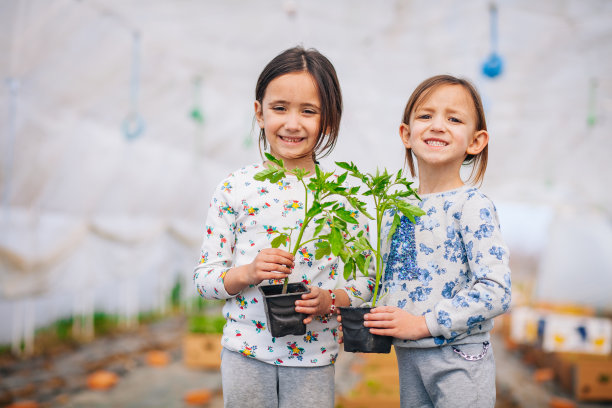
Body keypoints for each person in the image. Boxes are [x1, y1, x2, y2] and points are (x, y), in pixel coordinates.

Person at [193, 46, 373, 408]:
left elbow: (367, 281)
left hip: (313, 358)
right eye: (279, 108)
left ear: (329, 120)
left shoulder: (342, 196)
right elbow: (205, 280)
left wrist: (330, 300)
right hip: (244, 352)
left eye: (308, 111)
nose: (292, 123)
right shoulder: (235, 187)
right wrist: (247, 272)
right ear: (259, 112)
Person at [363, 75, 512, 408]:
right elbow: (378, 279)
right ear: (406, 133)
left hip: (459, 357)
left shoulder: (471, 205)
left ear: (476, 141)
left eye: (454, 118)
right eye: (426, 115)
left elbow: (496, 290)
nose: (438, 126)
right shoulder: (394, 207)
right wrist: (337, 303)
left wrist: (423, 324)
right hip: (410, 356)